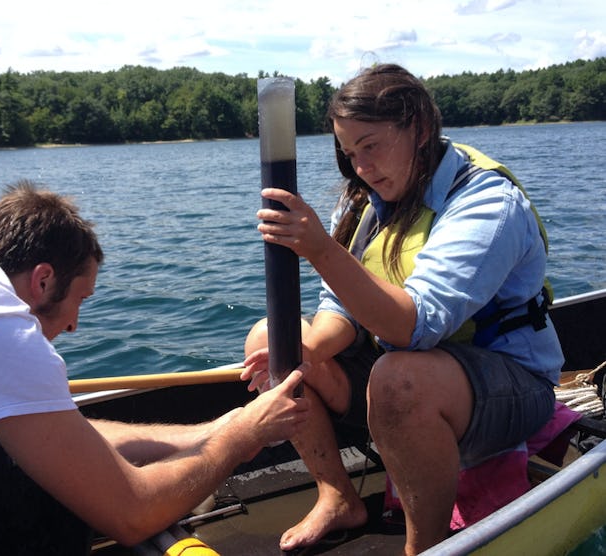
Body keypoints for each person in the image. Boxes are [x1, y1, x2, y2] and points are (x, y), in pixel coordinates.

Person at [0, 180, 310, 555]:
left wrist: (218, 428)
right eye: (81, 300)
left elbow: (64, 439)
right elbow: (131, 514)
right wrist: (241, 437)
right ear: (43, 279)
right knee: (51, 500)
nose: (74, 324)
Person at [242, 63, 564, 555]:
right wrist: (305, 350)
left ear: (418, 129)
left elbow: (414, 327)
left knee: (400, 378)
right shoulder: (368, 202)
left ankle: (426, 546)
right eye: (350, 154)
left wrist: (320, 249)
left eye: (370, 146)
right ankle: (336, 496)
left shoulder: (487, 203)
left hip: (510, 388)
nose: (361, 167)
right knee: (273, 336)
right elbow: (343, 307)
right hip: (404, 374)